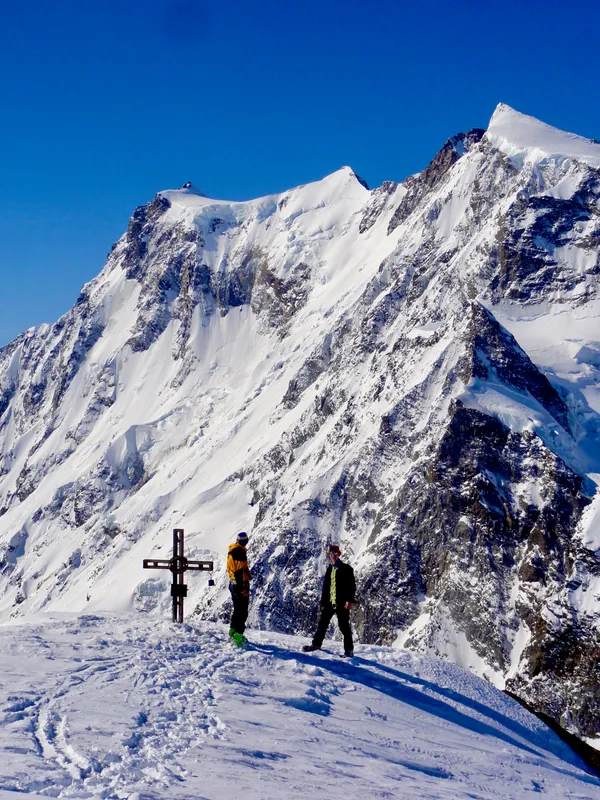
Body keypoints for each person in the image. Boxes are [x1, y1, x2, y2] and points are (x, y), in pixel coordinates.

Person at [303, 543, 356, 657]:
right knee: (322, 624)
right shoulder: (329, 569)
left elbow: (352, 586)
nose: (333, 556)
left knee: (344, 627)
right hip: (329, 602)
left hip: (342, 603)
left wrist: (349, 601)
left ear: (339, 554)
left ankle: (349, 651)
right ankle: (316, 644)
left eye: (335, 554)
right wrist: (322, 603)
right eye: (331, 554)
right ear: (329, 555)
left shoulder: (347, 569)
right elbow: (325, 588)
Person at [227, 531, 251, 646]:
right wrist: (243, 588)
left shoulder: (232, 550)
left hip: (233, 584)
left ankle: (232, 632)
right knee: (243, 612)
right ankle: (238, 637)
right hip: (240, 585)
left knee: (237, 610)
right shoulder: (240, 553)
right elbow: (239, 572)